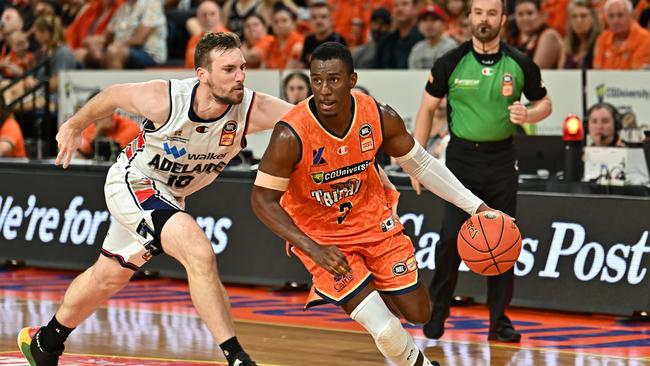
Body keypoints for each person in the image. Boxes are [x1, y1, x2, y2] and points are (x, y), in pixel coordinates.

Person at [18, 32, 294, 366]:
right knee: (199, 252)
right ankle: (236, 358)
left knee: (109, 275)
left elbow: (305, 126)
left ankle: (46, 343)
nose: (240, 77)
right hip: (134, 182)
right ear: (202, 75)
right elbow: (113, 94)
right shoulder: (166, 98)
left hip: (171, 195)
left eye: (242, 67)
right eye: (229, 69)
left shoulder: (251, 108)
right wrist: (76, 124)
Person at [251, 41, 496, 366]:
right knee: (385, 328)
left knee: (420, 312)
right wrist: (311, 248)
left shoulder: (378, 117)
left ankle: (369, 288)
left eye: (334, 80)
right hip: (325, 241)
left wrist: (477, 207)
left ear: (352, 80)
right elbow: (261, 200)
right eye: (317, 80)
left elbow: (421, 164)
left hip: (373, 224)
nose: (324, 90)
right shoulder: (290, 134)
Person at [411, 0, 552, 343]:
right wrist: (415, 163)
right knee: (449, 241)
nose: (484, 19)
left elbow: (545, 103)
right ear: (469, 18)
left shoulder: (519, 63)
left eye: (491, 13)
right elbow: (427, 108)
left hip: (503, 159)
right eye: (478, 13)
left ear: (504, 19)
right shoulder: (450, 62)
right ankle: (438, 310)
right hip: (461, 162)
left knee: (504, 240)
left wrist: (529, 116)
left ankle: (498, 322)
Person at [593, 0, 650, 69]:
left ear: (632, 16)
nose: (616, 20)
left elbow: (636, 71)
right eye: (611, 16)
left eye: (620, 15)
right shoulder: (603, 38)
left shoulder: (644, 38)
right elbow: (597, 69)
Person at [510, 0, 563, 69]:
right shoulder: (515, 36)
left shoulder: (549, 35)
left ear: (540, 14)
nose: (525, 18)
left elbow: (536, 71)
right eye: (520, 14)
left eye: (529, 13)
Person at [408, 4, 459, 69]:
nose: (429, 24)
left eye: (434, 19)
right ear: (419, 25)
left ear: (444, 24)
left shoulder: (451, 47)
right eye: (425, 20)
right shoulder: (417, 49)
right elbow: (411, 75)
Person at [559, 0, 601, 69]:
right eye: (574, 16)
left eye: (583, 16)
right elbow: (559, 73)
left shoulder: (600, 41)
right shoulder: (567, 43)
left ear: (593, 18)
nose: (579, 21)